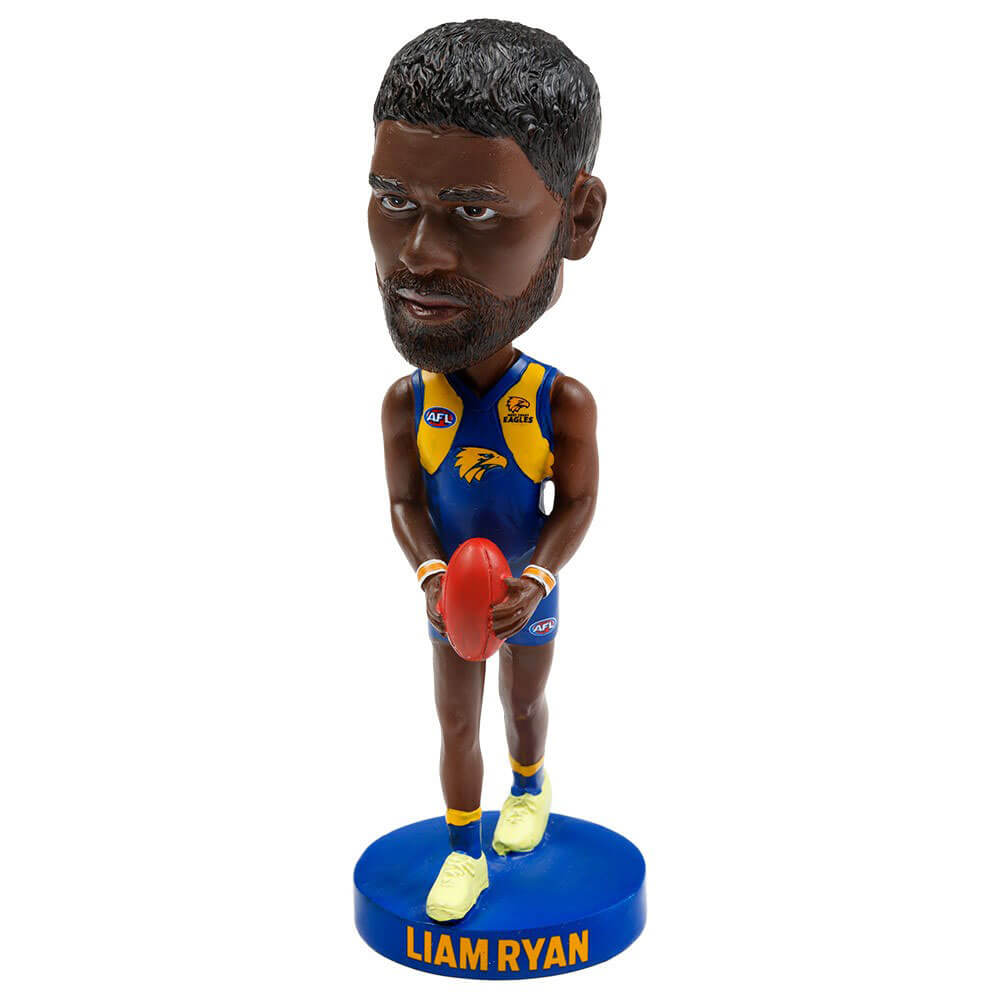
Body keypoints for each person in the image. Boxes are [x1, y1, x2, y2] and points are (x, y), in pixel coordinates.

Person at [370, 19, 606, 922]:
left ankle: (531, 785)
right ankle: (463, 850)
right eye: (393, 199)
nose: (418, 255)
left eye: (474, 211)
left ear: (577, 218)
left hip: (526, 587)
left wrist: (537, 575)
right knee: (455, 718)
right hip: (451, 595)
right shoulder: (407, 403)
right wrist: (432, 573)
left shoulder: (557, 401)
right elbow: (403, 502)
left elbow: (578, 502)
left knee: (523, 705)